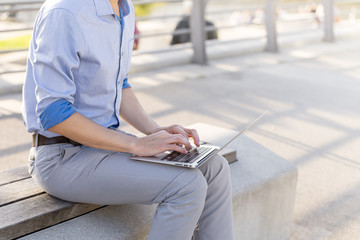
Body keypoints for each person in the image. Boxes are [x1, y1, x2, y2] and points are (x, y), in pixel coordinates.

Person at [22, 0, 234, 239]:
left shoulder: (124, 9)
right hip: (62, 158)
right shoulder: (64, 12)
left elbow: (117, 84)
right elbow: (52, 112)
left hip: (106, 147)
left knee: (215, 168)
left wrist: (155, 131)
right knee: (187, 187)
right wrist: (135, 144)